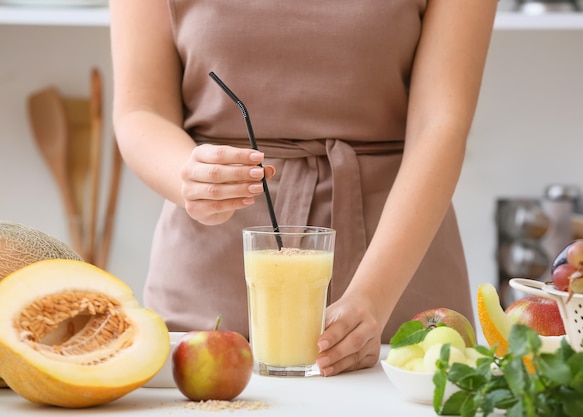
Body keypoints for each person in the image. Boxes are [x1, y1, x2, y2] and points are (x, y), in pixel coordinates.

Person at [109, 0, 498, 377]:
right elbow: (140, 110)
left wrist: (373, 297)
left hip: (399, 271)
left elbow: (440, 123)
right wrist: (188, 175)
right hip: (211, 271)